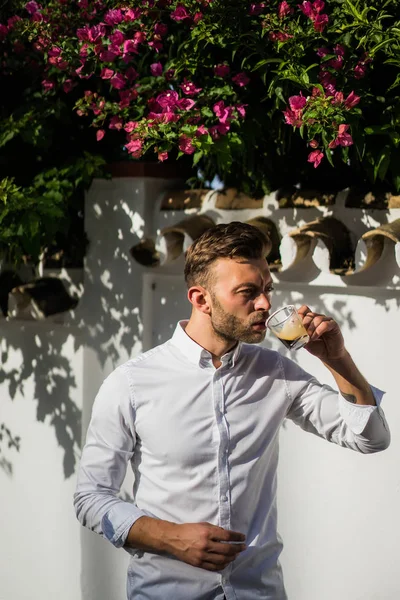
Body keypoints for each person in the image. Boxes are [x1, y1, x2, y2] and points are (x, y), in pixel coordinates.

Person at [74, 221, 390, 600]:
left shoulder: (276, 372)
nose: (265, 305)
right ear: (201, 299)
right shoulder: (130, 384)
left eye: (267, 289)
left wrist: (338, 360)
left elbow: (370, 438)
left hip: (259, 592)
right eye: (248, 292)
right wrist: (172, 537)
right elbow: (91, 497)